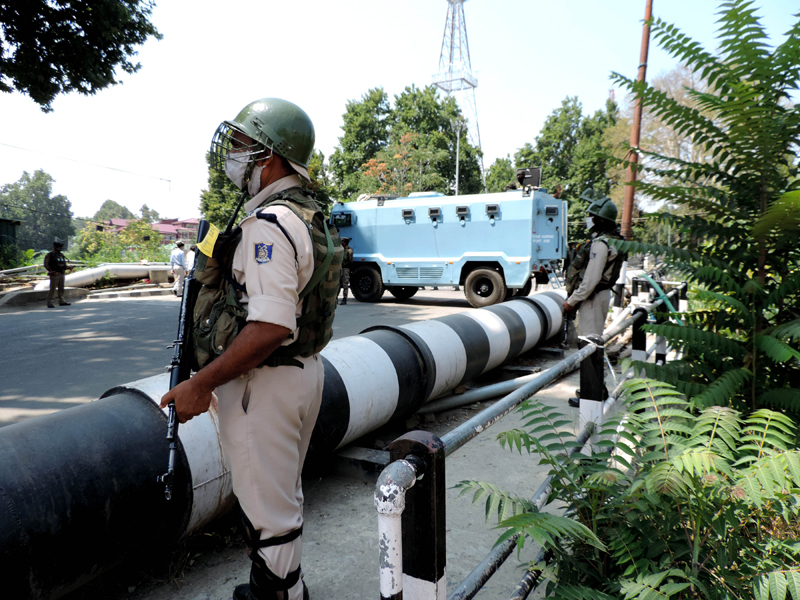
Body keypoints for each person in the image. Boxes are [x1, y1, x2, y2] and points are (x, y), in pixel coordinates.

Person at [161, 98, 334, 600]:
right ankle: (286, 586)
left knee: (266, 506)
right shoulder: (309, 213)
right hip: (302, 374)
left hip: (265, 383)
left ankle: (275, 594)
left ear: (272, 156)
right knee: (281, 495)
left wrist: (201, 382)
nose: (234, 156)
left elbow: (270, 326)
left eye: (244, 146)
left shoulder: (270, 224)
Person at [562, 193, 625, 407]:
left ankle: (591, 397)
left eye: (591, 215)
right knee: (594, 343)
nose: (588, 219)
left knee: (589, 344)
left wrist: (572, 300)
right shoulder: (613, 241)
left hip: (593, 297)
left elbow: (590, 280)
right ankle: (598, 390)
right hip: (601, 295)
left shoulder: (600, 244)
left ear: (599, 219)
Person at [44, 240, 72, 308]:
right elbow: (46, 265)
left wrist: (68, 267)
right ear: (56, 247)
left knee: (61, 288)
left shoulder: (61, 255)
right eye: (59, 247)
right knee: (53, 289)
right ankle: (50, 302)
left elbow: (62, 264)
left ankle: (61, 301)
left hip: (61, 273)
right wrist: (51, 271)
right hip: (54, 274)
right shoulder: (49, 255)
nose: (60, 248)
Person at [339, 238, 353, 305]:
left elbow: (350, 262)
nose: (342, 243)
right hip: (341, 268)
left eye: (343, 242)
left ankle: (345, 298)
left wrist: (343, 265)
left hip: (346, 269)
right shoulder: (342, 250)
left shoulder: (349, 251)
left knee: (345, 284)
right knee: (338, 284)